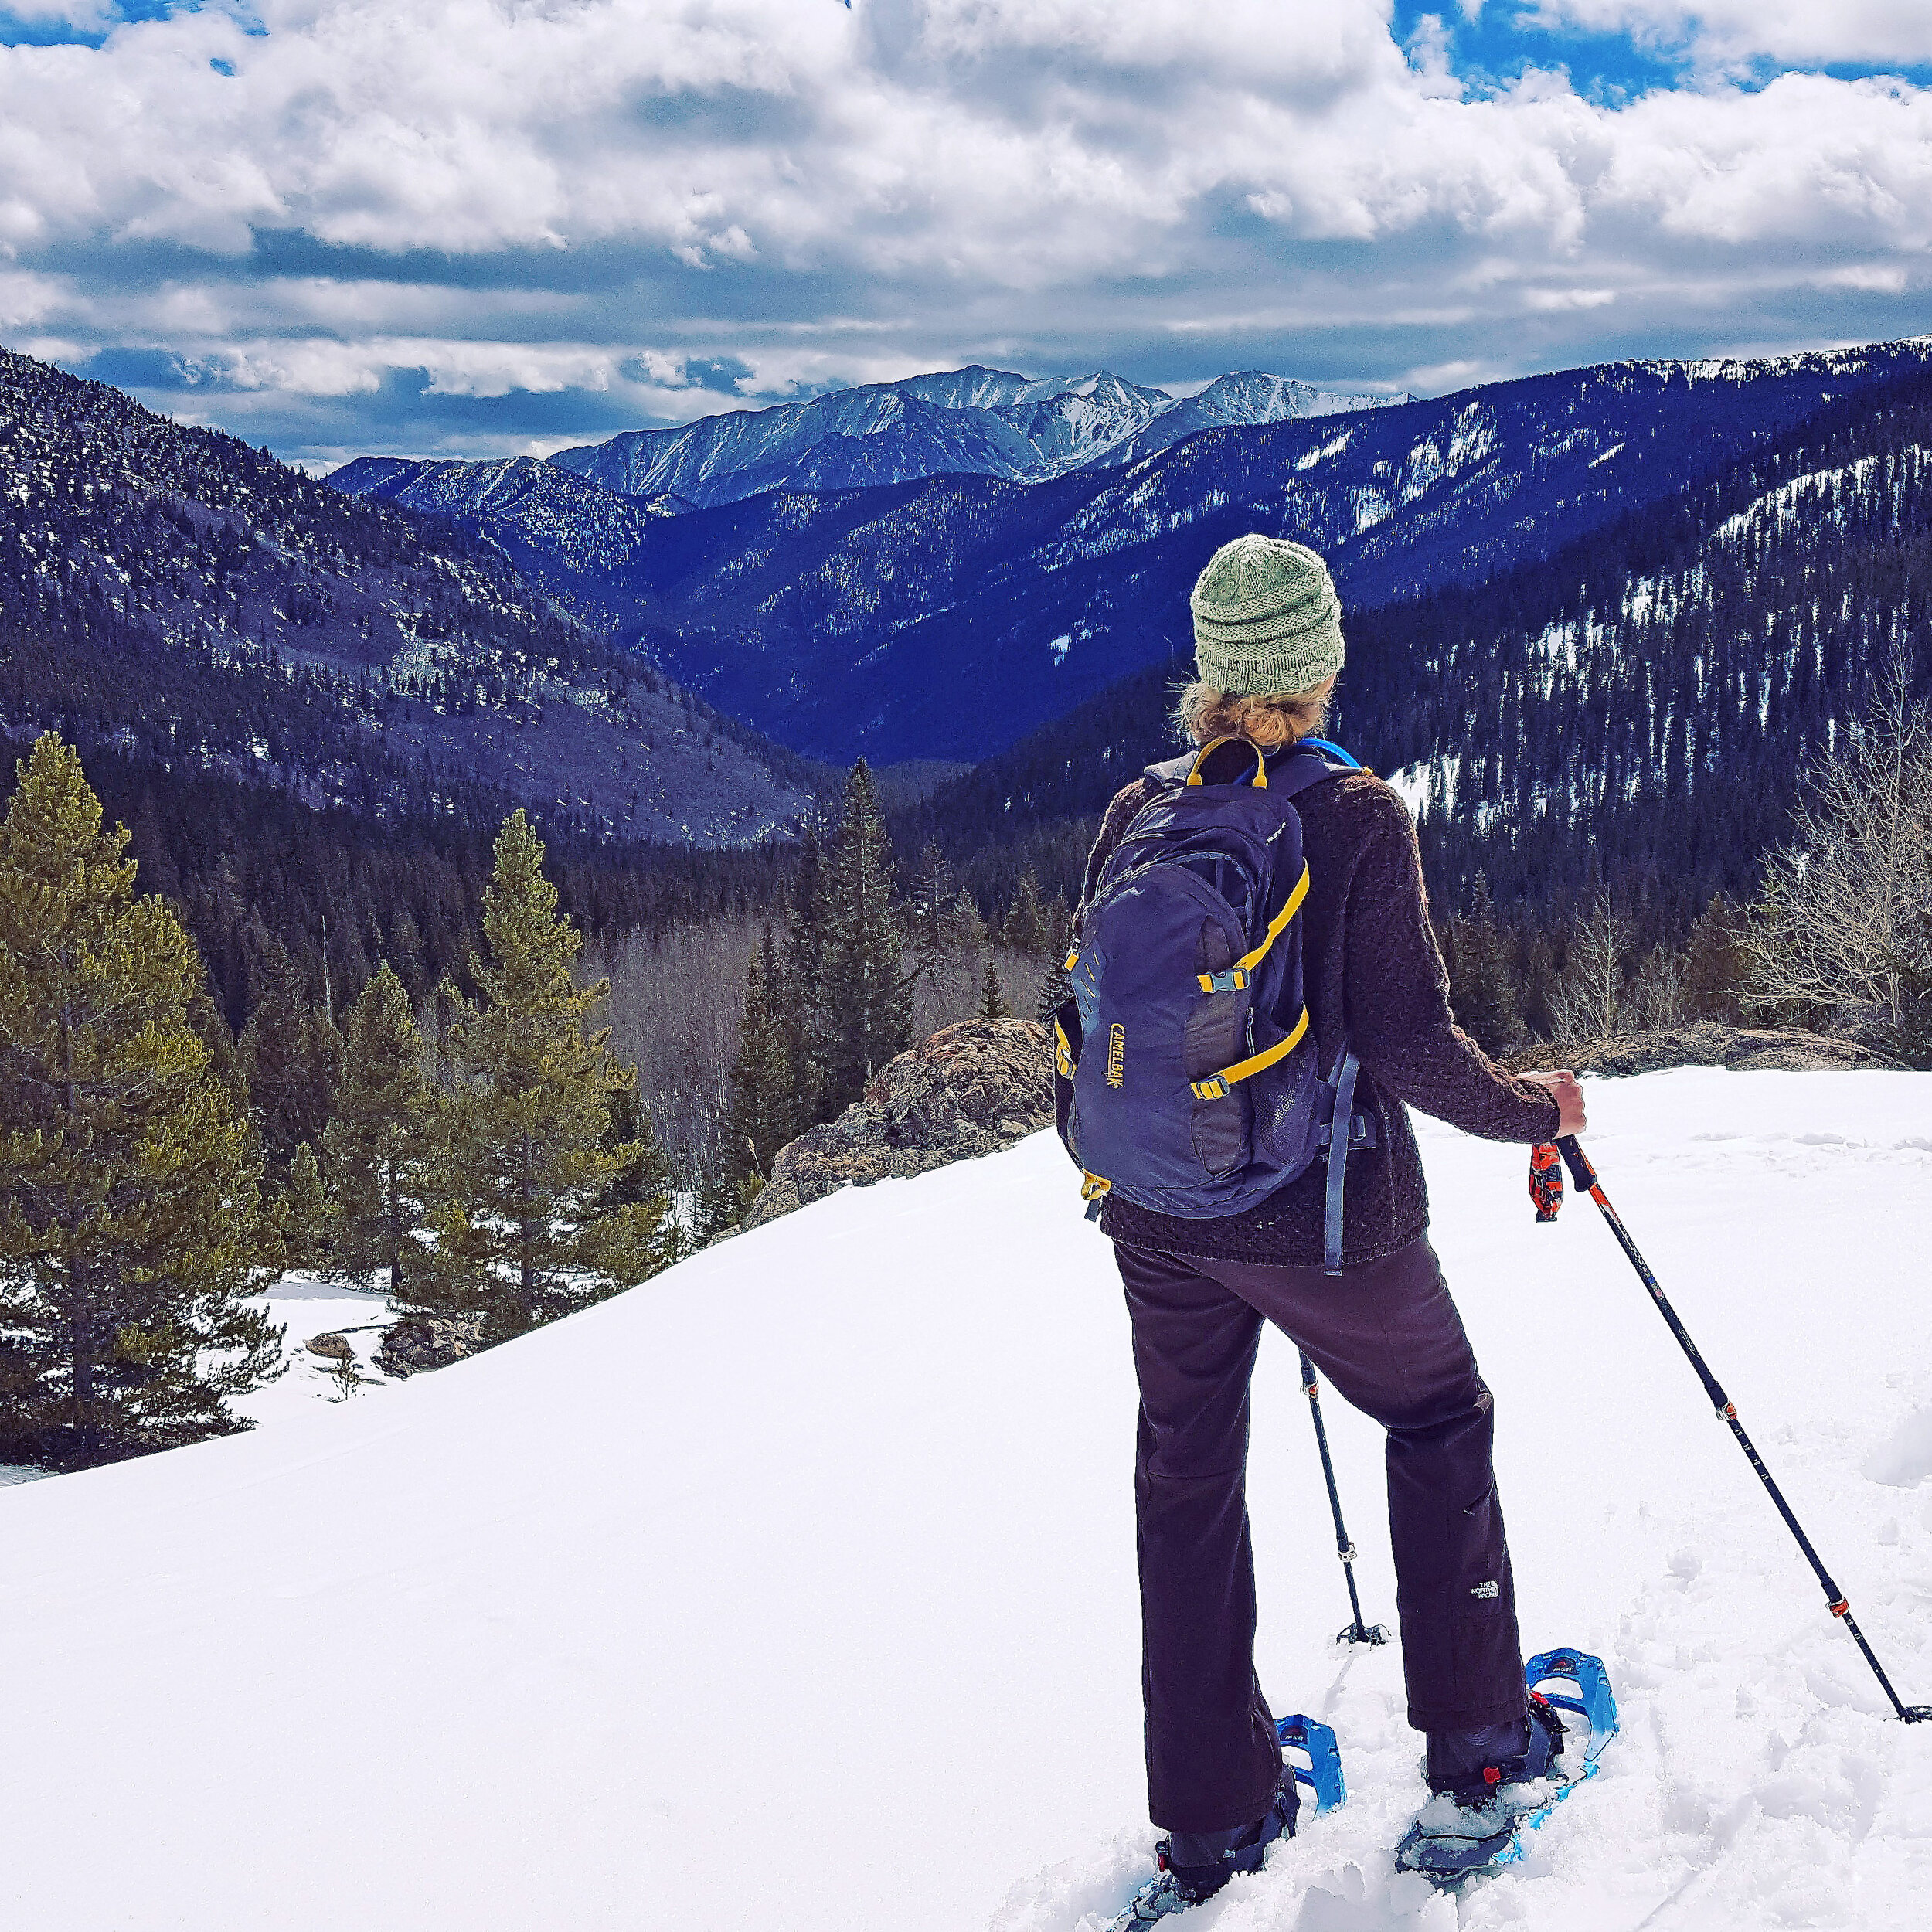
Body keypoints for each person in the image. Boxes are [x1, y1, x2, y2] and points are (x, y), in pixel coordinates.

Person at [1075, 534, 1586, 1916]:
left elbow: (1092, 1021)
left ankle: (1213, 1822)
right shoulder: (1356, 814)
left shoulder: (1139, 807)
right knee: (1435, 1418)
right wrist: (1539, 1112)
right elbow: (1415, 1048)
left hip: (1158, 1216)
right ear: (1320, 660)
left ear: (1211, 671)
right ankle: (1482, 1752)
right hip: (1325, 1221)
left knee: (1183, 1484)